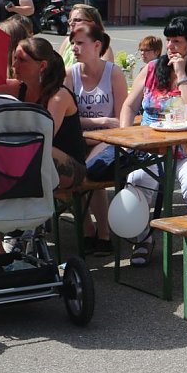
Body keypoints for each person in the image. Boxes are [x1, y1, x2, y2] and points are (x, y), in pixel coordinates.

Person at [117, 17, 187, 267]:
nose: (170, 46)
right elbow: (129, 105)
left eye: (177, 41)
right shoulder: (152, 68)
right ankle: (143, 239)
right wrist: (125, 137)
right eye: (168, 40)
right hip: (154, 149)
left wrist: (182, 74)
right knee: (134, 181)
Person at [0, 37, 87, 255]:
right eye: (14, 59)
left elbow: (44, 137)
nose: (14, 65)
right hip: (31, 162)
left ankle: (20, 231)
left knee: (30, 152)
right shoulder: (18, 88)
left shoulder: (59, 96)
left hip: (68, 168)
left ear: (42, 65)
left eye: (21, 60)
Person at [64, 23, 128, 257]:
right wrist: (99, 121)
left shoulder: (114, 72)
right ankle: (87, 230)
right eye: (73, 43)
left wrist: (102, 127)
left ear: (97, 45)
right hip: (79, 138)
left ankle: (104, 234)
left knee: (91, 172)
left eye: (80, 43)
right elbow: (67, 118)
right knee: (74, 173)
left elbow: (122, 118)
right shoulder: (70, 75)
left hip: (107, 140)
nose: (74, 48)